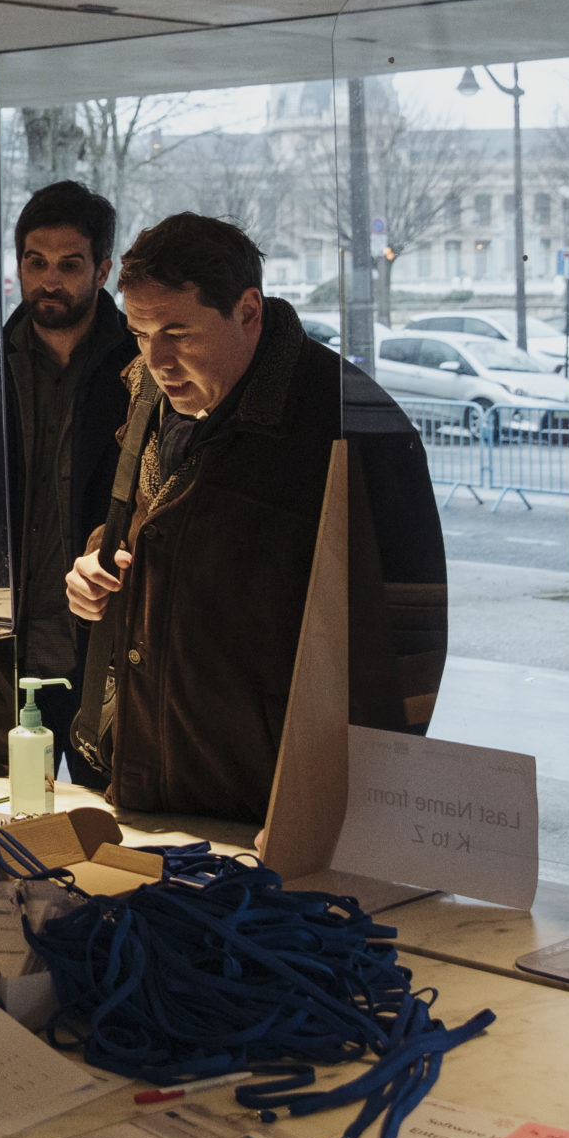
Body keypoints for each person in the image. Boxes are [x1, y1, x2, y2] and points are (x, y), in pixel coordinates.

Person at [64, 215, 447, 822]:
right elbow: (156, 520)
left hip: (273, 805)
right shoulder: (150, 392)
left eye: (178, 332)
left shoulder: (348, 419)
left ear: (248, 310)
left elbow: (409, 637)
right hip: (152, 778)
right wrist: (99, 563)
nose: (157, 359)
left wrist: (355, 810)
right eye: (140, 333)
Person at [0, 181, 135, 772]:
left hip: (102, 649)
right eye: (36, 263)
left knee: (107, 814)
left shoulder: (141, 369)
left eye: (70, 265)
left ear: (103, 271)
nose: (49, 281)